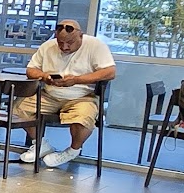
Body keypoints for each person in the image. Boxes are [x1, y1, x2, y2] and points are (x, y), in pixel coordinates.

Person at [15, 19, 116, 168]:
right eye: (60, 42)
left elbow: (110, 72)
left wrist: (76, 80)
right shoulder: (48, 46)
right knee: (18, 109)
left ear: (80, 36)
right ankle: (40, 144)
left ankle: (73, 150)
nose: (64, 47)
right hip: (49, 94)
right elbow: (31, 70)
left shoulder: (95, 45)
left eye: (70, 42)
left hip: (82, 96)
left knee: (82, 118)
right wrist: (44, 76)